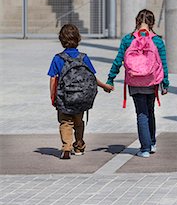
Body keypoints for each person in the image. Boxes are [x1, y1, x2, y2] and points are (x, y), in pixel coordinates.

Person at [106, 9, 169, 158]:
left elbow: (118, 60)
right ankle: (152, 143)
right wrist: (165, 83)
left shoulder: (128, 40)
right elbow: (164, 64)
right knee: (150, 111)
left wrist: (110, 78)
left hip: (134, 82)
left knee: (141, 113)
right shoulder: (157, 41)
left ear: (136, 21)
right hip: (151, 82)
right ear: (152, 23)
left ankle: (145, 148)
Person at [48, 24, 113, 159]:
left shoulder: (57, 58)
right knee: (78, 122)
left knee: (65, 122)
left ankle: (66, 147)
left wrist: (53, 96)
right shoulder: (83, 57)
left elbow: (53, 79)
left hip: (64, 98)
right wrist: (104, 86)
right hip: (81, 98)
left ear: (61, 40)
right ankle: (78, 146)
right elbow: (92, 77)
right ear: (78, 39)